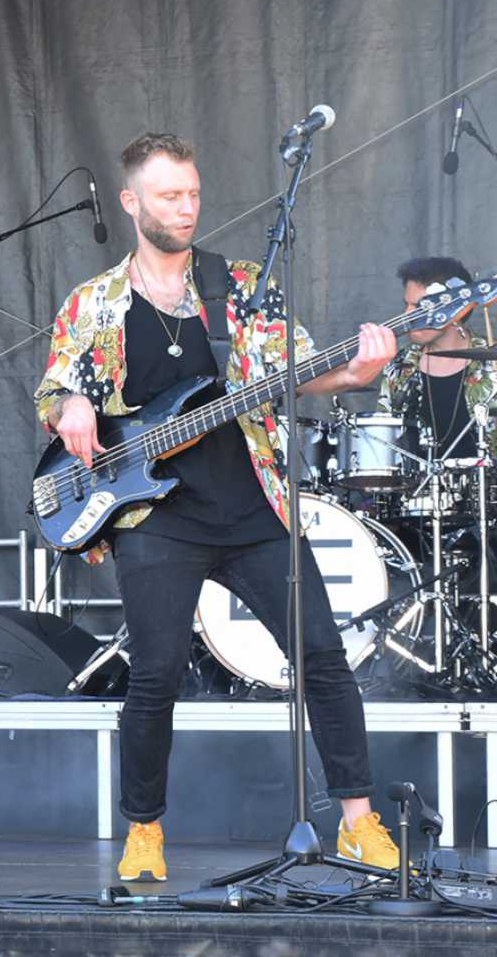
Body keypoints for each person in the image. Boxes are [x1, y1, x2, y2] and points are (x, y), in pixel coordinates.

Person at [33, 133, 400, 880]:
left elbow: (298, 373)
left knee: (323, 658)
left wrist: (356, 371)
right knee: (157, 673)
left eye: (193, 193)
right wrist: (70, 405)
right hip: (156, 516)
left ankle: (358, 823)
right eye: (170, 195)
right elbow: (53, 389)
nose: (187, 207)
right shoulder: (93, 303)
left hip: (254, 507)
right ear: (132, 202)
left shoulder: (239, 286)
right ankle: (145, 830)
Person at [377, 256, 497, 461]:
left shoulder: (492, 363)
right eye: (407, 305)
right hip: (417, 482)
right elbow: (383, 444)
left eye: (419, 307)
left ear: (455, 309)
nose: (407, 315)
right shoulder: (398, 365)